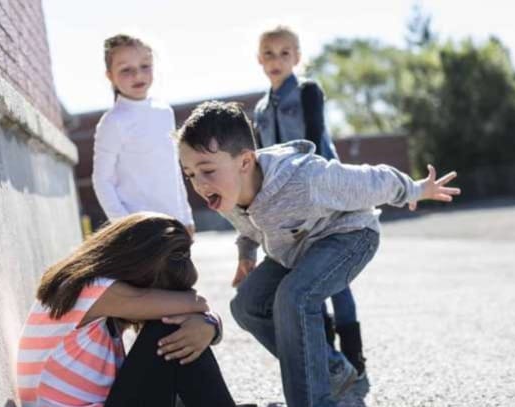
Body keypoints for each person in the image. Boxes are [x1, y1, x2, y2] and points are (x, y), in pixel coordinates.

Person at [176, 101, 460, 407]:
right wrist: (246, 254)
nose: (199, 184)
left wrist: (416, 190)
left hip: (349, 236)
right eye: (190, 174)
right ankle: (332, 369)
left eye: (206, 170)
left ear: (245, 162)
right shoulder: (226, 193)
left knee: (294, 297)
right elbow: (248, 228)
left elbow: (372, 179)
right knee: (246, 305)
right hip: (294, 249)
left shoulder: (304, 178)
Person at [16, 212, 255, 407]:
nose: (159, 299)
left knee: (175, 337)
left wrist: (210, 326)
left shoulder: (92, 295)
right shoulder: (92, 289)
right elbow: (197, 303)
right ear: (139, 269)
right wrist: (208, 323)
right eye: (161, 291)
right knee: (167, 328)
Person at [253, 25, 365, 377]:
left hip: (322, 195)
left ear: (297, 58)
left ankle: (354, 358)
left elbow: (316, 140)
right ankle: (331, 362)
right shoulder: (259, 109)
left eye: (285, 53)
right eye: (269, 53)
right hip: (286, 206)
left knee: (336, 280)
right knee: (306, 279)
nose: (276, 60)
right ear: (259, 59)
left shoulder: (307, 92)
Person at [92, 34, 194, 234]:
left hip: (175, 224)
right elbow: (102, 180)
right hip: (140, 230)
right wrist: (124, 225)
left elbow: (173, 170)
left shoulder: (165, 112)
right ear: (110, 76)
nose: (138, 75)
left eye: (145, 66)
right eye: (126, 70)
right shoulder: (113, 122)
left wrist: (186, 216)